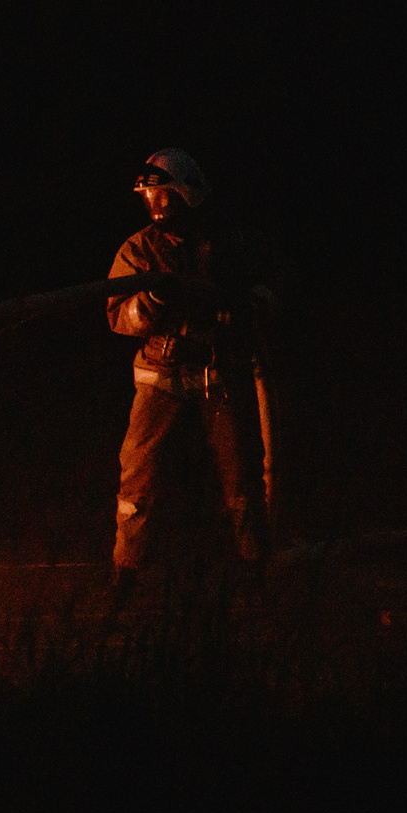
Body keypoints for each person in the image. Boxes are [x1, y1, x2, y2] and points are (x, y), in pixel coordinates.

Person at [107, 148, 267, 597]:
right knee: (137, 476)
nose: (155, 205)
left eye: (162, 195)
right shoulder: (138, 250)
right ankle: (127, 570)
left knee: (242, 474)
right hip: (161, 374)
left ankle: (255, 565)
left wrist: (247, 309)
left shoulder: (229, 246)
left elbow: (272, 287)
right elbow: (117, 315)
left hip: (220, 373)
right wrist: (150, 306)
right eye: (151, 196)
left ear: (185, 195)